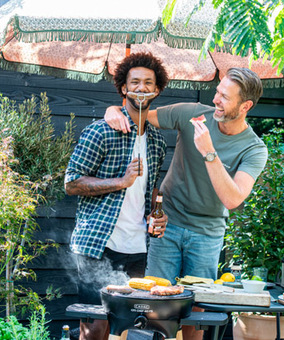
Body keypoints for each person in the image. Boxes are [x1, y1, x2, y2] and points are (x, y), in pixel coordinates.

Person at [105, 67, 268, 340]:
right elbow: (141, 114)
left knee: (197, 310)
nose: (216, 99)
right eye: (217, 92)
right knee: (153, 303)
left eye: (225, 97)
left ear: (245, 106)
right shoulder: (192, 113)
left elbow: (233, 198)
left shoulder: (254, 149)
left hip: (207, 232)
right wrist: (114, 109)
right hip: (168, 223)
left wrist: (209, 152)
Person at [64, 52, 169, 340]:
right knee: (96, 326)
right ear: (123, 87)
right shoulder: (101, 131)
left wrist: (155, 215)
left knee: (126, 327)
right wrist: (120, 181)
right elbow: (71, 183)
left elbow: (149, 190)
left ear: (157, 89)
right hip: (98, 243)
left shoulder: (157, 141)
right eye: (134, 82)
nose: (141, 88)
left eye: (148, 82)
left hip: (136, 246)